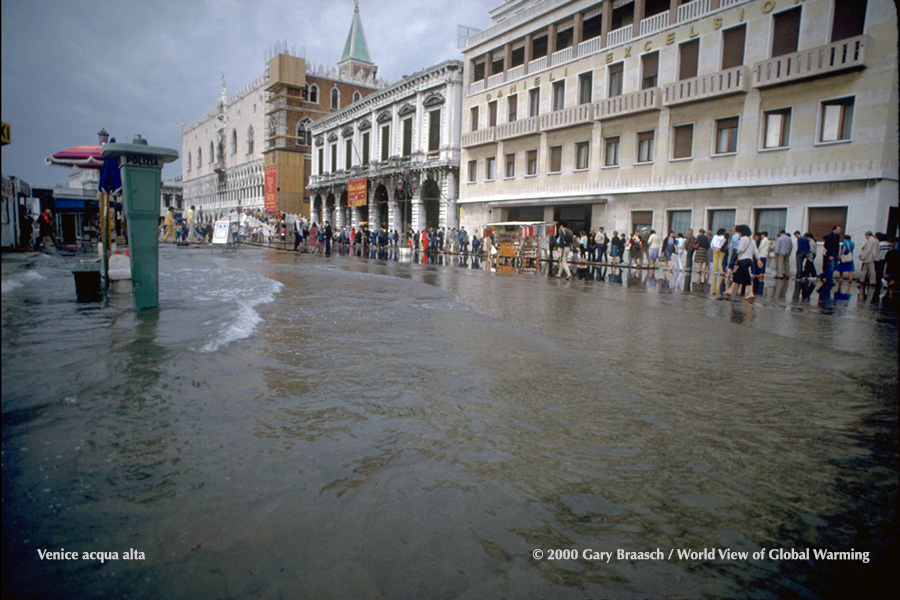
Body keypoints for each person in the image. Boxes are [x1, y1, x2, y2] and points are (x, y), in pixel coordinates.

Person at [725, 225, 761, 299]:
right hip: (749, 260)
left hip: (742, 259)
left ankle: (750, 292)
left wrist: (737, 252)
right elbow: (756, 251)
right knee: (738, 275)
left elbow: (740, 249)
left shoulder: (743, 239)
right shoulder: (752, 240)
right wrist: (759, 259)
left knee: (745, 276)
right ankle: (731, 290)